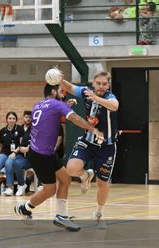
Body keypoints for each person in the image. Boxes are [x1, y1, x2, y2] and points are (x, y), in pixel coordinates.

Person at [14, 83, 103, 232]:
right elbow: (73, 118)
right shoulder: (56, 104)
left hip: (45, 152)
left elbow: (52, 118)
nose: (64, 94)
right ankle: (24, 208)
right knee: (50, 190)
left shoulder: (39, 104)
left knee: (65, 179)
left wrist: (64, 105)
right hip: (41, 155)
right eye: (62, 91)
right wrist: (92, 128)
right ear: (54, 91)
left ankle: (61, 216)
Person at [60, 71, 119, 229]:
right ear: (93, 83)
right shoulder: (85, 92)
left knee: (102, 183)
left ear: (108, 85)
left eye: (104, 84)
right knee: (71, 169)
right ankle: (85, 175)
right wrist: (59, 78)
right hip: (88, 141)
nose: (100, 86)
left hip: (106, 146)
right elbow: (70, 87)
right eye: (98, 83)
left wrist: (96, 98)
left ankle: (99, 214)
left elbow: (115, 106)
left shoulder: (109, 97)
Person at [0, 111, 24, 196]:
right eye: (10, 118)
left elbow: (22, 144)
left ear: (16, 120)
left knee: (8, 163)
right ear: (6, 120)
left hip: (17, 153)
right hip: (5, 152)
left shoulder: (19, 129)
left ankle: (9, 188)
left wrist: (15, 152)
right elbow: (0, 145)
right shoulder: (2, 131)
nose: (11, 120)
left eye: (13, 118)